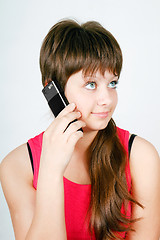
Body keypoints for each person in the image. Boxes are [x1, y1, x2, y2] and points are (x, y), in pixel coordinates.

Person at [0, 19, 160, 240]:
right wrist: (51, 171)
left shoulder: (141, 156)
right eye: (91, 84)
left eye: (112, 83)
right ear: (53, 89)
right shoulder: (17, 166)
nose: (106, 99)